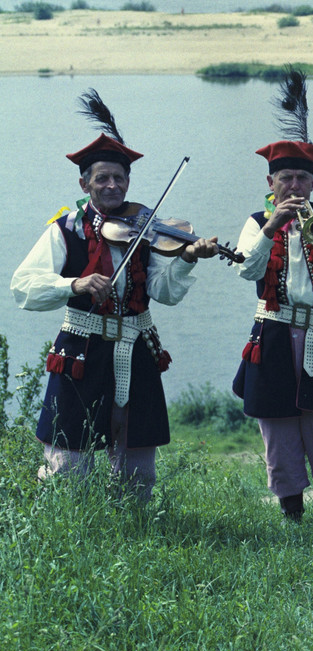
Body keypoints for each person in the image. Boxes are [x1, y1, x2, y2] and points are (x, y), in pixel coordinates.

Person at [11, 93, 217, 502]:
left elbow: (164, 293)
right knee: (69, 461)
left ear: (128, 181)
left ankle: (134, 523)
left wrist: (188, 259)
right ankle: (70, 527)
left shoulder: (146, 228)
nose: (111, 185)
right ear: (83, 182)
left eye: (119, 178)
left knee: (138, 461)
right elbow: (23, 286)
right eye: (101, 178)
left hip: (137, 346)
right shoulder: (65, 230)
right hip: (81, 350)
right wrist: (73, 284)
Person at [233, 72, 313, 532]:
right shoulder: (253, 222)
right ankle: (291, 512)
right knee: (278, 429)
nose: (295, 185)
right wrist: (270, 230)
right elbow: (245, 269)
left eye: (303, 177)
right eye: (287, 177)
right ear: (271, 180)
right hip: (273, 331)